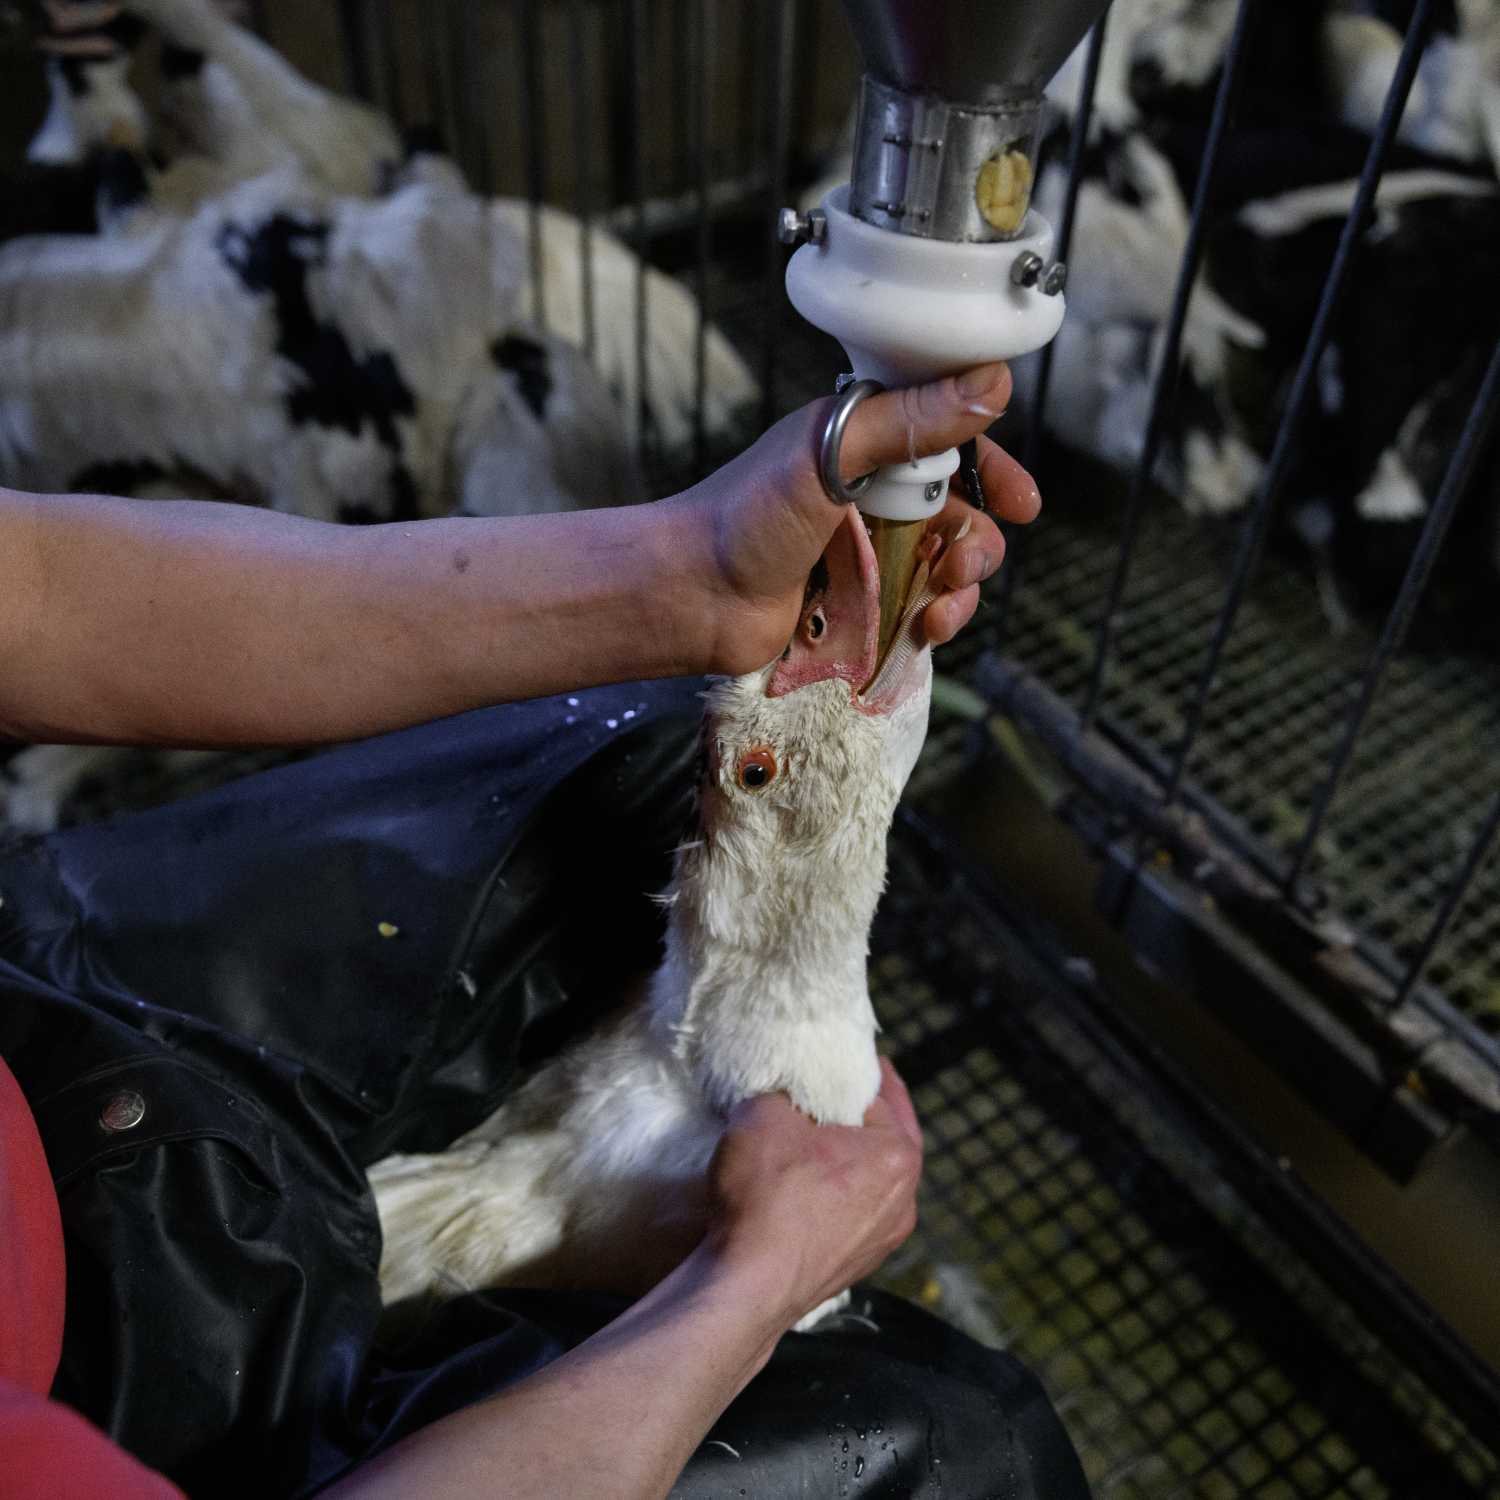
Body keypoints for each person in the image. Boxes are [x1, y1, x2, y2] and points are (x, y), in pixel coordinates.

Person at [0, 365, 1087, 1499]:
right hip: (119, 1377)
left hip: (37, 1045)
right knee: (970, 1439)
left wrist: (693, 572)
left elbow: (22, 592)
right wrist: (757, 1279)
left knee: (644, 749)